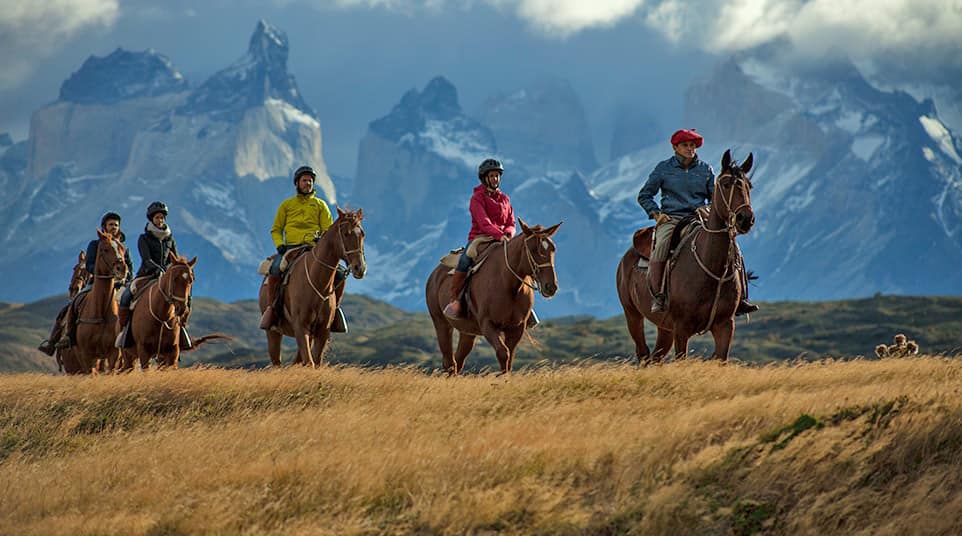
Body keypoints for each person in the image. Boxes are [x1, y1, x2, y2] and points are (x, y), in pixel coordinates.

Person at [637, 129, 758, 315]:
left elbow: (715, 197)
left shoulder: (705, 169)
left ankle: (741, 298)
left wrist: (714, 211)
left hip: (699, 217)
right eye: (685, 145)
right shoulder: (663, 169)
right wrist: (656, 214)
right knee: (661, 245)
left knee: (732, 246)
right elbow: (645, 195)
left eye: (692, 145)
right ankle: (659, 296)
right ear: (675, 147)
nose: (689, 149)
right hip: (672, 218)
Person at [260, 165, 345, 331]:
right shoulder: (287, 205)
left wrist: (320, 241)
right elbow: (276, 229)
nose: (308, 183)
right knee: (275, 269)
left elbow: (327, 231)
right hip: (291, 248)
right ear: (297, 183)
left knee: (340, 274)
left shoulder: (320, 205)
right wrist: (280, 245)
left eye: (310, 181)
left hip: (313, 249)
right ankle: (273, 309)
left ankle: (335, 311)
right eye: (305, 180)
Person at [39, 212, 133, 353]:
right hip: (96, 283)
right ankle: (66, 337)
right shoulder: (95, 245)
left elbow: (129, 267)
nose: (114, 227)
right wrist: (100, 274)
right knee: (75, 301)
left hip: (119, 285)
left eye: (116, 225)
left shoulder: (122, 247)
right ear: (104, 227)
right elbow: (89, 264)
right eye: (110, 224)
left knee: (132, 306)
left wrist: (125, 278)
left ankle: (132, 339)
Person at [443, 158, 516, 319]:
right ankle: (455, 300)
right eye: (492, 176)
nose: (495, 179)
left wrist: (509, 234)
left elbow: (511, 222)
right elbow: (484, 223)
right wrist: (499, 235)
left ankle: (523, 305)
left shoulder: (505, 199)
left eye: (497, 175)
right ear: (484, 178)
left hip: (503, 239)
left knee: (520, 261)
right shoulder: (477, 198)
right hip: (481, 238)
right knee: (465, 259)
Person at [116, 201, 192, 349]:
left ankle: (181, 329)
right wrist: (158, 269)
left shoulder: (170, 238)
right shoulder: (143, 238)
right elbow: (146, 259)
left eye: (162, 217)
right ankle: (124, 332)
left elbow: (174, 258)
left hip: (167, 277)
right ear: (152, 219)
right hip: (147, 275)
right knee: (126, 296)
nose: (160, 220)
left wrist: (174, 269)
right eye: (157, 217)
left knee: (184, 293)